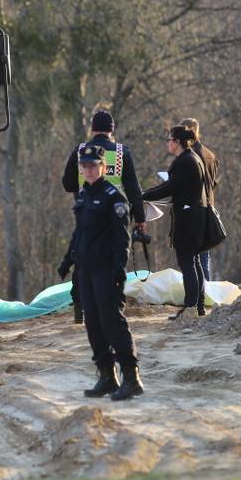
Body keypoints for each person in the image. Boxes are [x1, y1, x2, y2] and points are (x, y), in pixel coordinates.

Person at [65, 143, 143, 401]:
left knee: (111, 322)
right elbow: (80, 233)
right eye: (84, 166)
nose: (88, 170)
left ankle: (131, 377)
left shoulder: (114, 197)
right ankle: (107, 376)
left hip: (106, 269)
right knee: (94, 324)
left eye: (93, 166)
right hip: (86, 269)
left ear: (103, 167)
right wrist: (68, 259)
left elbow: (123, 238)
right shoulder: (84, 195)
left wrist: (120, 269)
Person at [61, 109, 146, 324]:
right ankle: (112, 304)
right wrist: (140, 218)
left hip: (88, 214)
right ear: (112, 130)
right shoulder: (121, 153)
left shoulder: (80, 151)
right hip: (115, 215)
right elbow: (134, 189)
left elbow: (67, 183)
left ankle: (80, 307)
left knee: (83, 258)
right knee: (115, 256)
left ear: (92, 128)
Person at [141, 126, 208, 320]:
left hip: (187, 220)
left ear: (177, 141)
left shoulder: (185, 161)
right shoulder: (192, 158)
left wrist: (143, 195)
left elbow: (169, 187)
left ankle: (191, 306)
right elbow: (171, 186)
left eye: (169, 139)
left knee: (187, 262)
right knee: (194, 262)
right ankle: (198, 306)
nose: (167, 143)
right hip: (194, 217)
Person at [179, 117, 219, 281]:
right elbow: (213, 182)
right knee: (203, 258)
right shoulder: (210, 154)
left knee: (191, 260)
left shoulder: (189, 156)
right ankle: (206, 294)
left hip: (193, 209)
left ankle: (196, 297)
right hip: (209, 208)